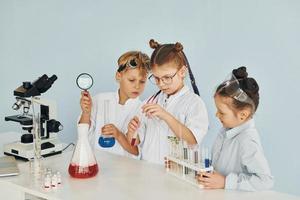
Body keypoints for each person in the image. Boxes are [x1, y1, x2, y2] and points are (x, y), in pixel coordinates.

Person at [126, 39, 209, 164]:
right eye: (156, 78)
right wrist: (132, 133)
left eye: (167, 78)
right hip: (149, 172)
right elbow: (134, 143)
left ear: (182, 72)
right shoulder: (149, 102)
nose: (161, 84)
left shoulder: (194, 103)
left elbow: (192, 141)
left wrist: (165, 115)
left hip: (177, 176)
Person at [198, 66, 274, 191]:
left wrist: (225, 182)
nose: (216, 115)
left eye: (221, 112)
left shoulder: (247, 141)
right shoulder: (226, 130)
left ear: (242, 115)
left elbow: (265, 181)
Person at [79, 51, 150, 156]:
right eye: (131, 80)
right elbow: (82, 134)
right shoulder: (99, 100)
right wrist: (86, 112)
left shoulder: (143, 110)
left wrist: (118, 135)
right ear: (118, 76)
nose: (137, 86)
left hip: (125, 170)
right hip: (97, 163)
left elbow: (136, 151)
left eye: (142, 81)